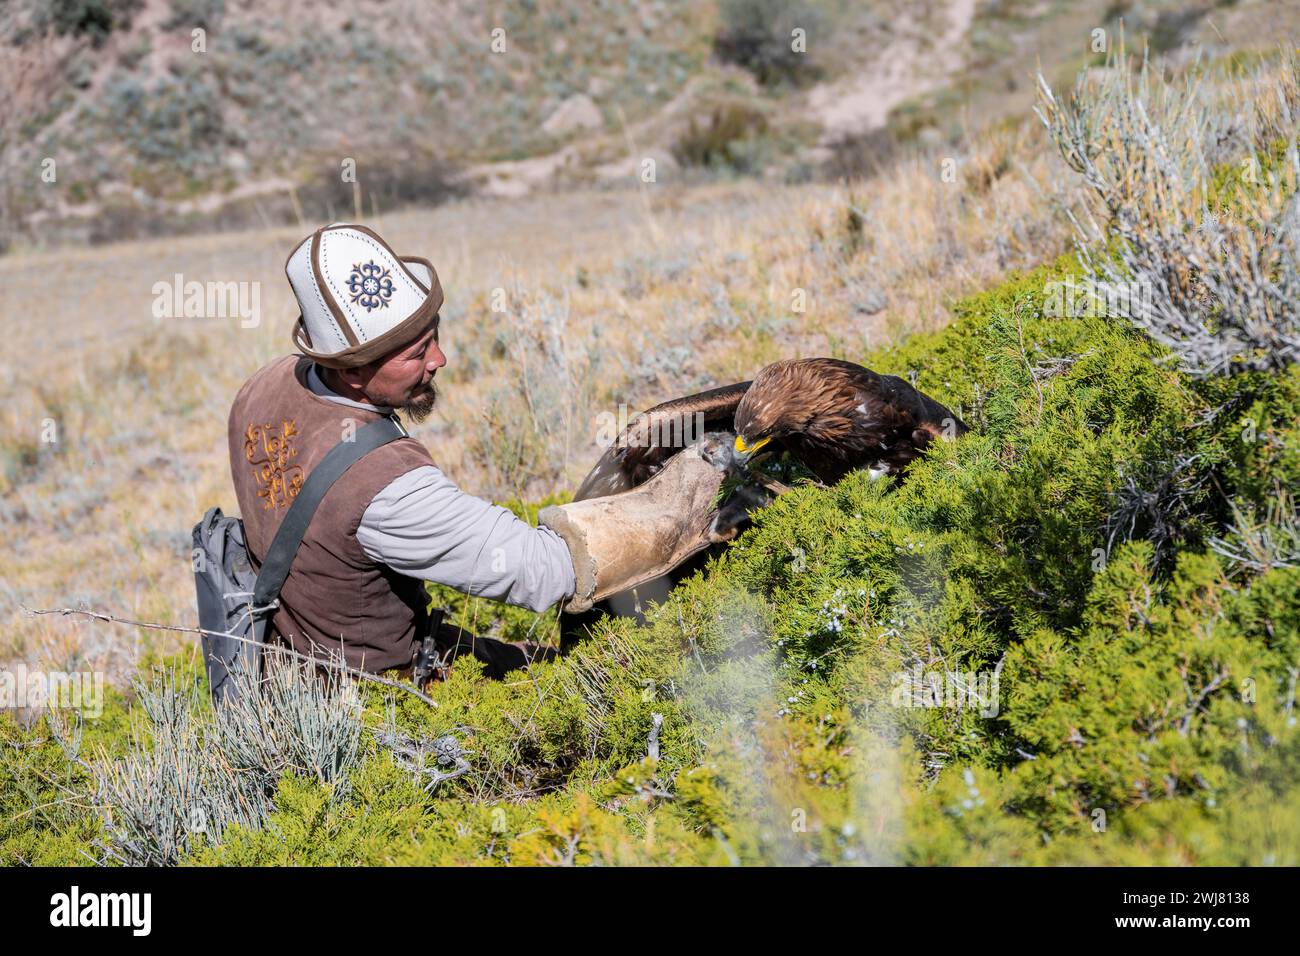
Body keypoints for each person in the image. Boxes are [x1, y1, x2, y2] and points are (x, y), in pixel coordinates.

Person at [227, 223, 576, 681]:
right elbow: (545, 571)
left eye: (435, 335)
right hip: (381, 693)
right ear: (353, 373)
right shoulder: (384, 487)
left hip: (288, 662)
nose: (439, 360)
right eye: (416, 353)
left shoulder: (261, 386)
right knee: (578, 679)